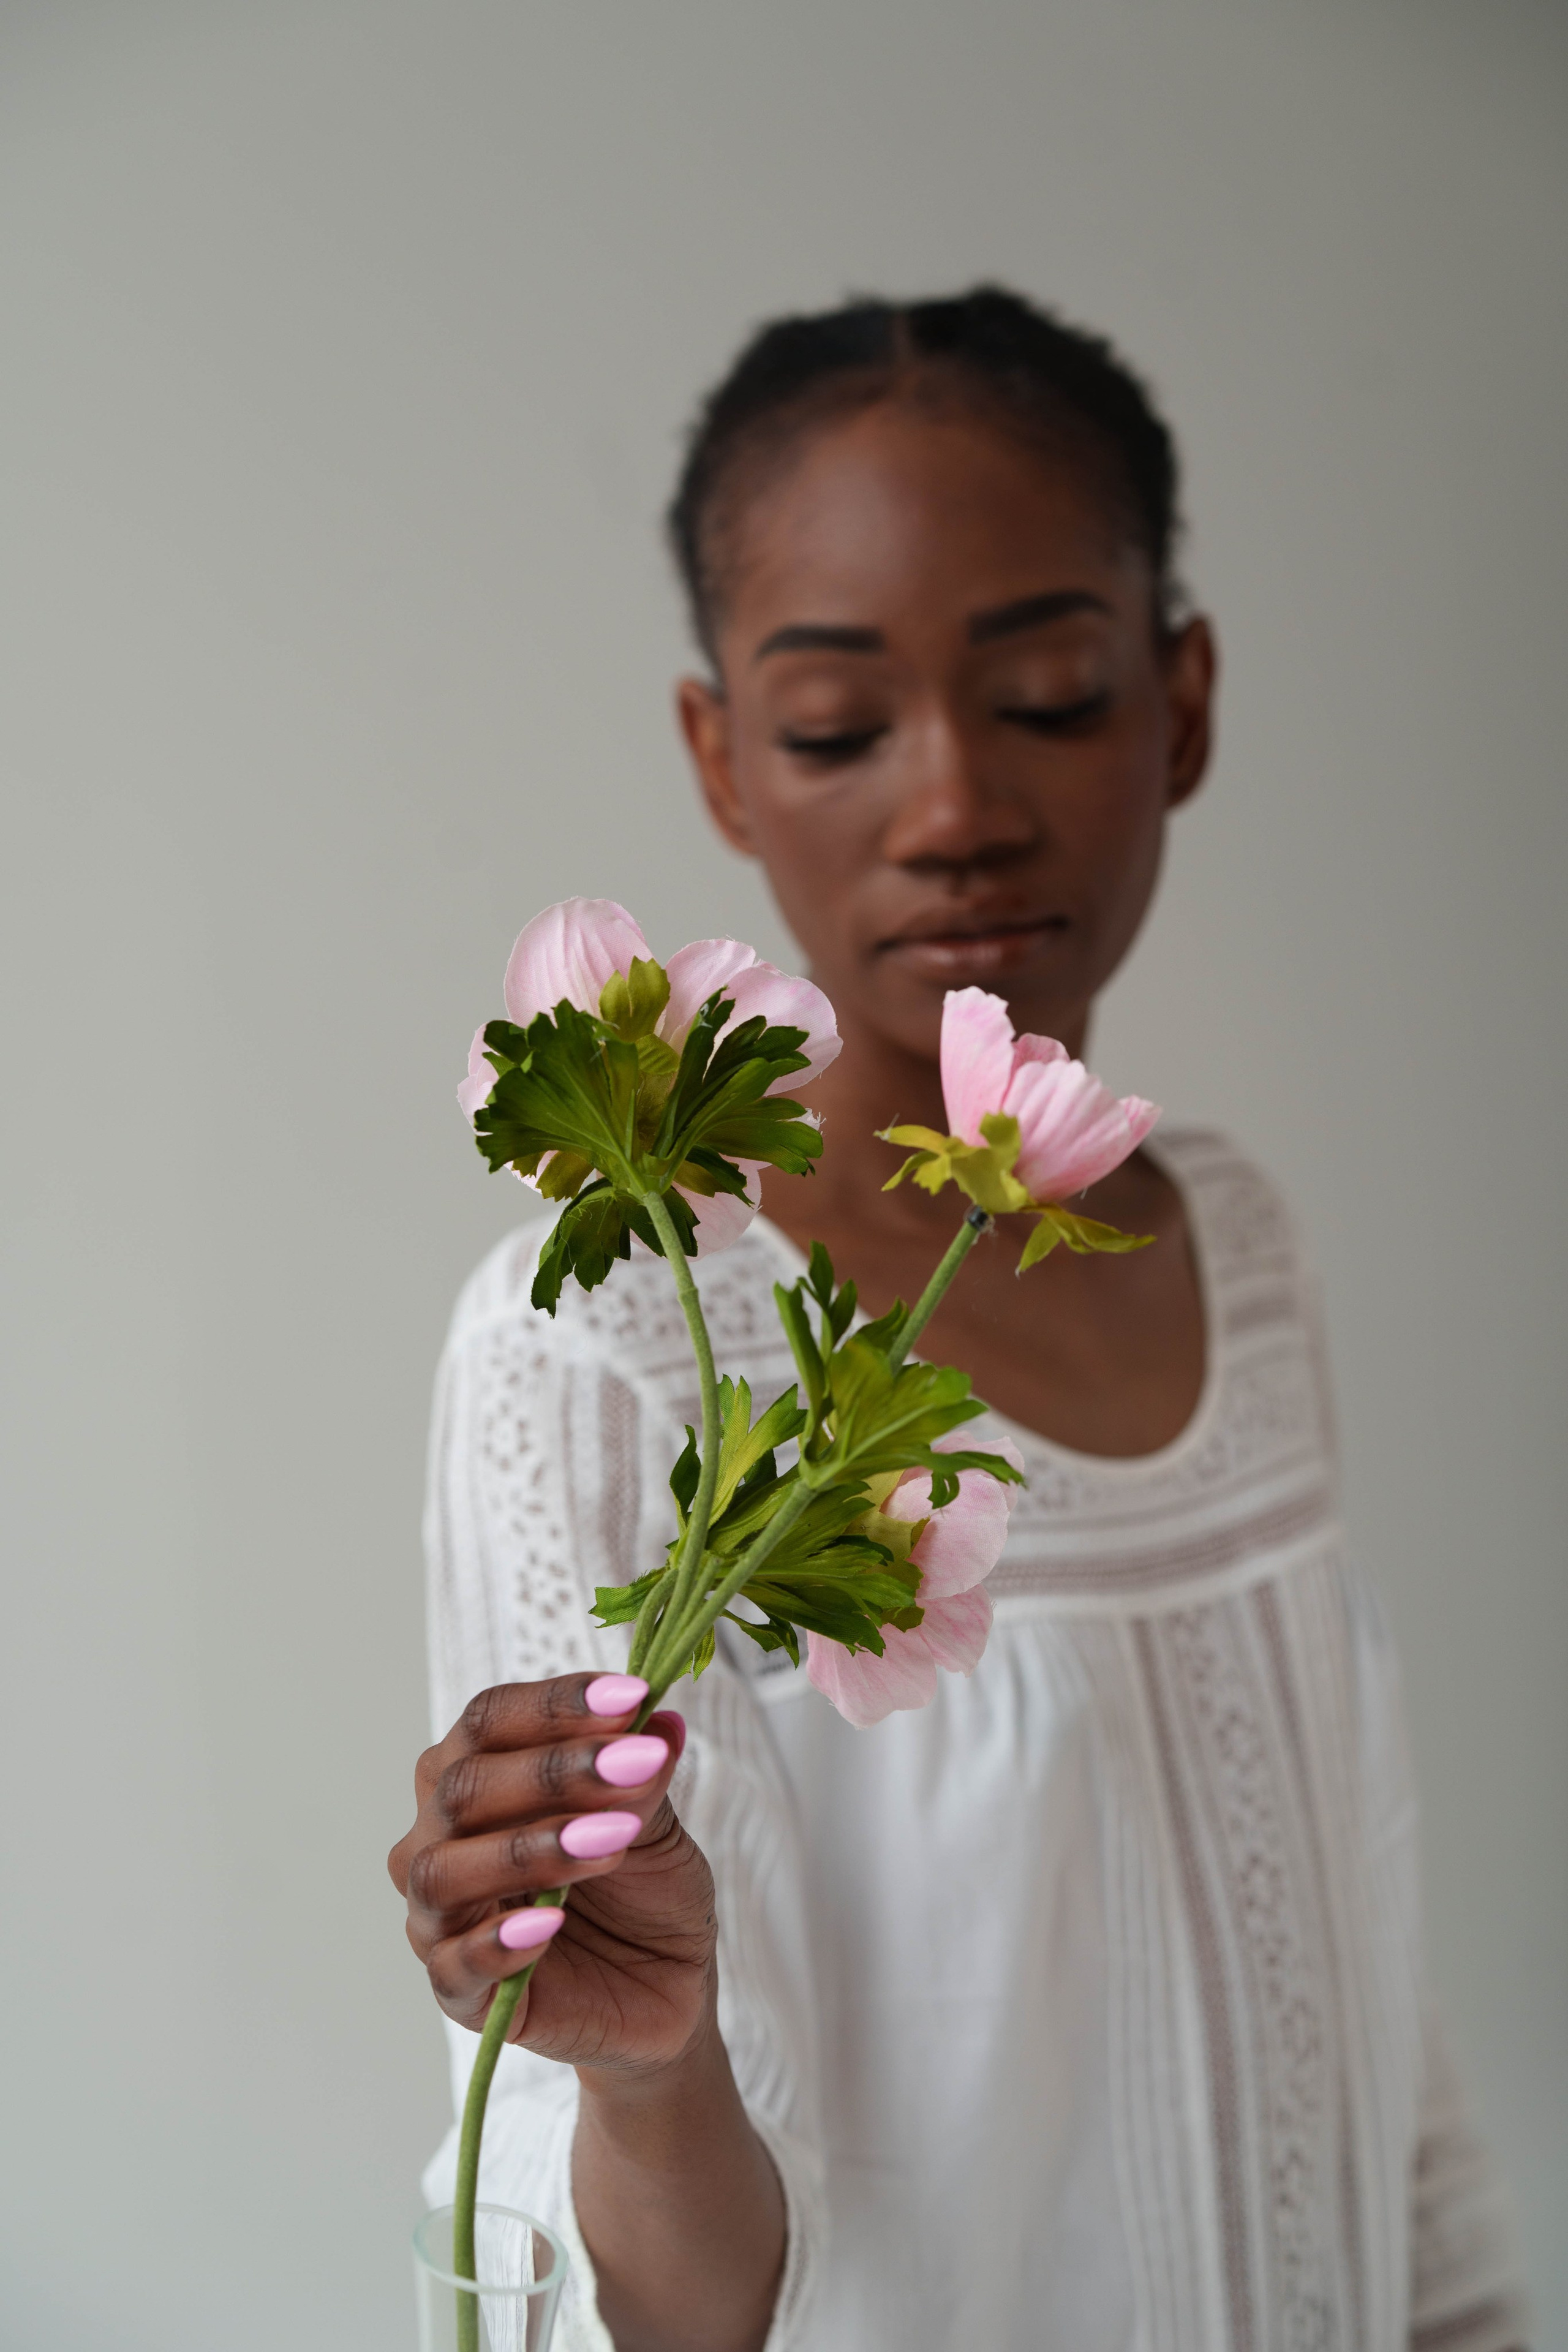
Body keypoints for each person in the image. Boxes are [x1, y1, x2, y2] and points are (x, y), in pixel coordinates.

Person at [389, 288, 1527, 2352]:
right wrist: (644, 2079)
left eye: (1055, 695)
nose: (955, 809)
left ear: (1182, 701)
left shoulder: (1240, 1253)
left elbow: (1358, 2002)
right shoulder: (615, 1340)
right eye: (836, 728)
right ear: (722, 756)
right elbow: (642, 2291)